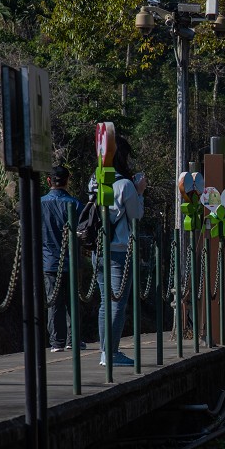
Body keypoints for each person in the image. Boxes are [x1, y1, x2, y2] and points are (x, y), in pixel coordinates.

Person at [90, 136, 147, 367]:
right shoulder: (125, 185)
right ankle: (110, 354)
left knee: (105, 302)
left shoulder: (94, 179)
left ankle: (106, 352)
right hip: (119, 250)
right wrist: (140, 191)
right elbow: (136, 215)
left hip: (97, 248)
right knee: (118, 303)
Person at [41, 165, 85, 352]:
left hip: (49, 261)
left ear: (48, 181)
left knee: (54, 301)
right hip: (72, 260)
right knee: (72, 301)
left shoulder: (39, 203)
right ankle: (72, 339)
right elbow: (85, 230)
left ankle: (56, 342)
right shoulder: (75, 205)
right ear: (67, 181)